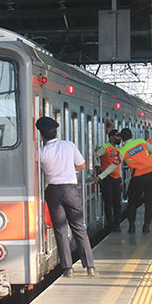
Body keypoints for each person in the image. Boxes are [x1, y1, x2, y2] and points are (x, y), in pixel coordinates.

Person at [37, 116, 96, 277]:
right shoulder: (69, 145)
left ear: (42, 135)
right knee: (78, 227)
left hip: (53, 191)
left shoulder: (41, 152)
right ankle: (90, 266)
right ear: (56, 132)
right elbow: (82, 165)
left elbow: (38, 171)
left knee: (61, 229)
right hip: (70, 189)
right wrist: (70, 170)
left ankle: (67, 268)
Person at [119, 127, 152, 233]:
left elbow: (117, 166)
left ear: (122, 139)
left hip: (138, 177)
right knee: (150, 202)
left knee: (132, 202)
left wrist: (120, 177)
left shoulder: (123, 150)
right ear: (132, 136)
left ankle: (131, 227)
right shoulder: (141, 142)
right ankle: (146, 226)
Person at [94, 129, 124, 232]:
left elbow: (118, 165)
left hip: (116, 178)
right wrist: (97, 166)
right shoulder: (104, 148)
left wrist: (121, 177)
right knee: (109, 201)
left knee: (117, 202)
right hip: (106, 179)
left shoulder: (118, 149)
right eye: (117, 137)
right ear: (111, 137)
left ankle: (117, 222)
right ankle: (110, 223)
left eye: (119, 137)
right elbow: (94, 156)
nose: (119, 139)